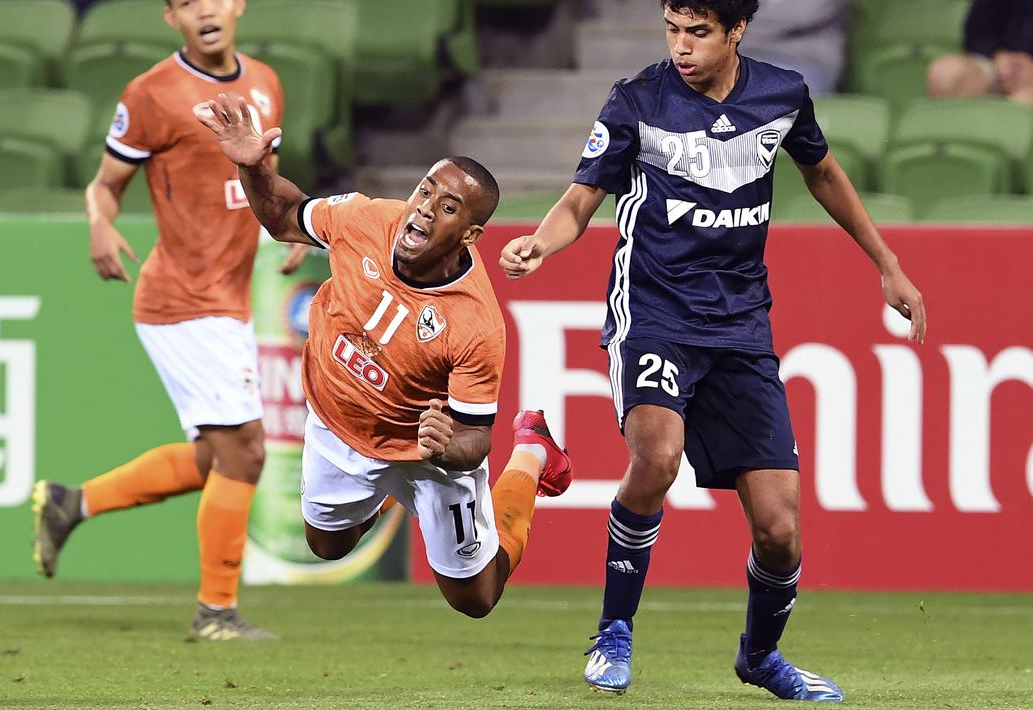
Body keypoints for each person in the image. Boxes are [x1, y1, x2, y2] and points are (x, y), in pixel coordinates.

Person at [500, 0, 926, 701]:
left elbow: (821, 173)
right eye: (671, 29)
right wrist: (540, 244)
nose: (680, 46)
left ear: (736, 31)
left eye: (697, 32)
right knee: (657, 454)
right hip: (654, 313)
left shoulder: (780, 94)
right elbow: (581, 198)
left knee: (779, 528)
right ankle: (613, 631)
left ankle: (760, 658)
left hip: (740, 326)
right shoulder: (636, 101)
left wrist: (886, 263)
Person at [195, 93, 575, 618]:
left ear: (469, 235)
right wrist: (252, 168)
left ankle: (532, 453)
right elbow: (282, 215)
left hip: (425, 451)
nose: (424, 207)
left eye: (447, 207)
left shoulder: (475, 323)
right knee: (327, 546)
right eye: (426, 190)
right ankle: (382, 491)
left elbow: (474, 436)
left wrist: (447, 449)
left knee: (477, 598)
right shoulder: (362, 220)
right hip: (337, 423)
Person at [31, 0, 307, 641]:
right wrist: (99, 223)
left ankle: (72, 504)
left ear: (238, 4)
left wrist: (292, 220)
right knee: (247, 452)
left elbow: (257, 173)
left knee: (216, 457)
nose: (204, 10)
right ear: (170, 17)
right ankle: (216, 613)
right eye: (186, 2)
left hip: (228, 298)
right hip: (183, 300)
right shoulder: (151, 93)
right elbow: (104, 185)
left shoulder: (266, 81)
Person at [927, 0, 1033, 106]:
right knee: (945, 74)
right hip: (1000, 60)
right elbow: (977, 30)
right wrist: (998, 55)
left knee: (1023, 99)